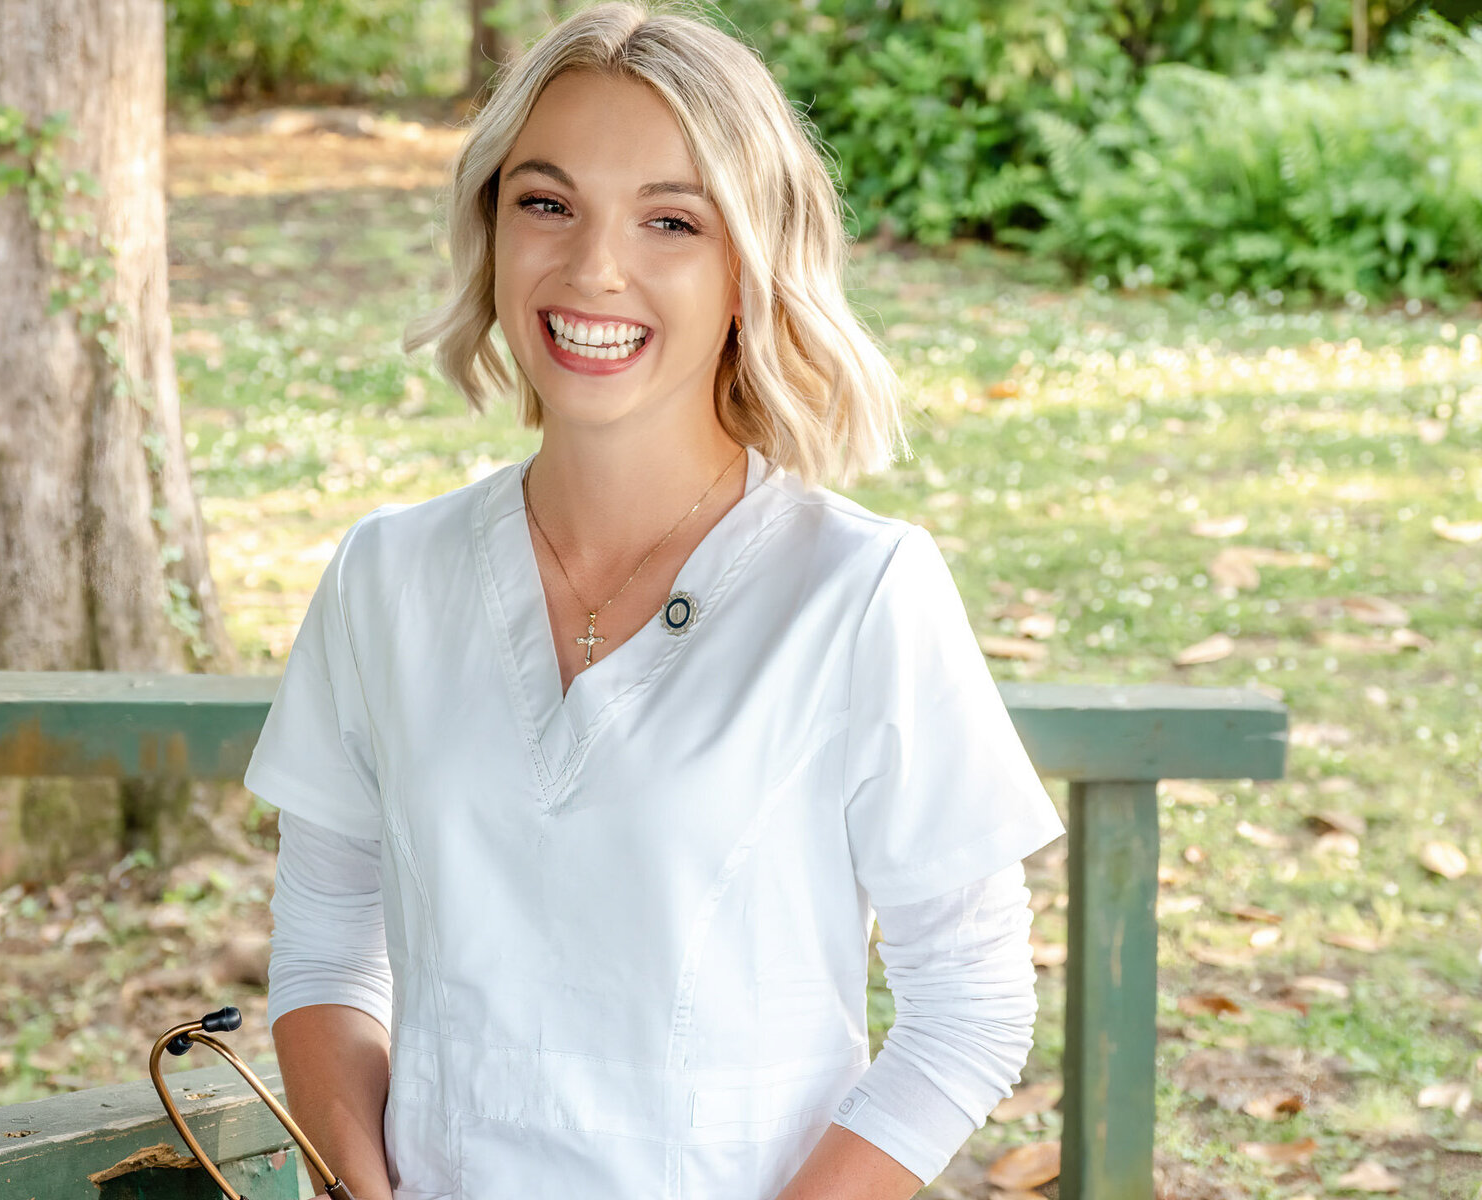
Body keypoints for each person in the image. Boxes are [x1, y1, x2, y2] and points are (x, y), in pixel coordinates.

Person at [248, 4, 1066, 1198]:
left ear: (751, 265)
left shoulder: (859, 594)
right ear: (488, 228)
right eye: (546, 202)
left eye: (671, 220)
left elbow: (972, 1008)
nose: (592, 268)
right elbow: (326, 944)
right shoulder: (388, 578)